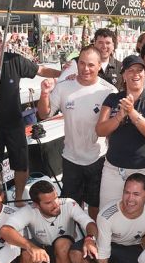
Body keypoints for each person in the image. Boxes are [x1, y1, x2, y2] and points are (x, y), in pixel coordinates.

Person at [0, 26, 60, 205]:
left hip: (15, 123)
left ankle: (19, 197)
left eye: (0, 41)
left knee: (21, 164)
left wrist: (65, 75)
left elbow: (41, 70)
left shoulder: (15, 60)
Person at [37, 46, 117, 220]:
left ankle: (92, 238)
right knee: (71, 206)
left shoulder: (109, 91)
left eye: (90, 65)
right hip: (71, 158)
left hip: (98, 158)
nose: (85, 69)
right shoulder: (64, 86)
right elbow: (44, 114)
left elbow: (114, 129)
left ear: (99, 67)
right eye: (81, 63)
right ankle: (72, 240)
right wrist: (44, 94)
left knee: (96, 206)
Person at [95, 55, 145, 209]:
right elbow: (100, 130)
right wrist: (119, 117)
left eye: (140, 70)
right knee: (108, 212)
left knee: (141, 216)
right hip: (114, 169)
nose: (136, 74)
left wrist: (132, 112)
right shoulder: (113, 98)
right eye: (131, 70)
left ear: (144, 74)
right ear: (124, 74)